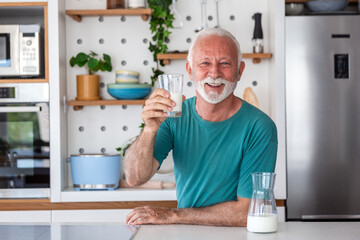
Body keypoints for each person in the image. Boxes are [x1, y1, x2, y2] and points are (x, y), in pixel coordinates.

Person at [124, 28, 277, 227]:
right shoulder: (173, 117)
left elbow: (245, 212)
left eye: (225, 63)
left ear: (239, 71)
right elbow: (134, 178)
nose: (214, 73)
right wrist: (149, 129)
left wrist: (173, 215)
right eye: (205, 63)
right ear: (190, 70)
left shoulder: (259, 127)